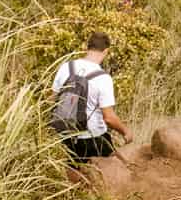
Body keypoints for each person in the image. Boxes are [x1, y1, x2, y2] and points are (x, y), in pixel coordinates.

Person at [51, 31, 132, 178]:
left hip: (65, 135)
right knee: (115, 173)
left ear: (87, 47)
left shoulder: (66, 67)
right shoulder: (103, 78)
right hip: (92, 138)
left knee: (72, 177)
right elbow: (109, 117)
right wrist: (125, 132)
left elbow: (52, 99)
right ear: (106, 51)